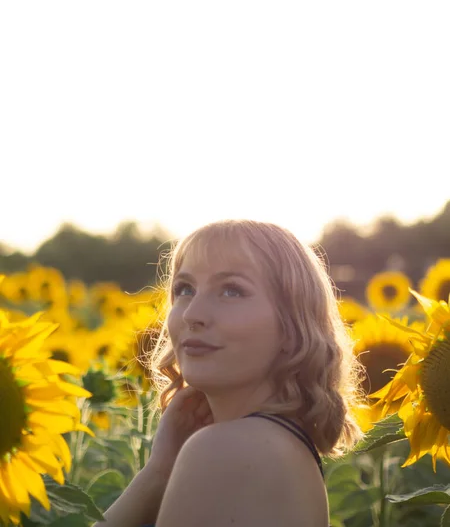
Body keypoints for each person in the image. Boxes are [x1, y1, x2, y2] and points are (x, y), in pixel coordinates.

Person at [94, 219, 366, 526]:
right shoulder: (282, 444)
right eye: (185, 289)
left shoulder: (226, 449)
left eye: (231, 291)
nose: (193, 314)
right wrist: (160, 470)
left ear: (292, 327)